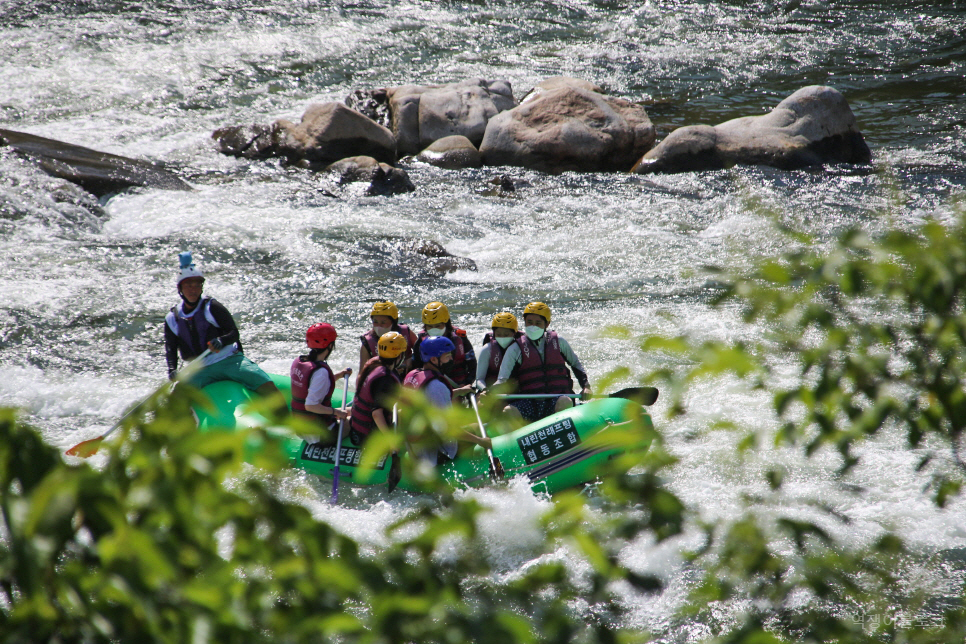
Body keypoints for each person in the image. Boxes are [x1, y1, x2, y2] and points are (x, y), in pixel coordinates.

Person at [164, 252, 280, 399]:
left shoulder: (212, 307)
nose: (193, 290)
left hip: (227, 360)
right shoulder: (172, 318)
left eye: (197, 285)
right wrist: (172, 369)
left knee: (266, 385)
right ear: (180, 288)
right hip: (200, 368)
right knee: (176, 399)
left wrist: (221, 341)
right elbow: (171, 347)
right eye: (188, 285)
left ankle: (286, 418)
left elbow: (233, 333)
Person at [492, 302, 592, 423]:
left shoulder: (559, 342)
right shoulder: (515, 348)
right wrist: (490, 391)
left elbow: (576, 364)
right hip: (530, 401)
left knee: (565, 401)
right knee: (508, 411)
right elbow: (502, 379)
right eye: (529, 322)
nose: (533, 326)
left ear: (547, 324)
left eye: (538, 323)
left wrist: (586, 387)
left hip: (557, 398)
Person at [403, 336, 492, 464]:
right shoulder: (436, 386)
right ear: (434, 359)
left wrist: (461, 391)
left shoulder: (413, 376)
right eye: (447, 356)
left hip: (416, 447)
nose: (451, 359)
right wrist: (480, 441)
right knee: (476, 427)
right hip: (437, 452)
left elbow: (431, 398)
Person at [290, 323, 351, 436]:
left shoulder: (299, 362)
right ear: (330, 345)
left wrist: (339, 375)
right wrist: (336, 412)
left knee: (352, 410)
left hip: (301, 426)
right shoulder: (321, 372)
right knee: (357, 419)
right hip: (319, 433)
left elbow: (313, 384)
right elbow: (310, 406)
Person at [348, 330, 407, 447]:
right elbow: (376, 413)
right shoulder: (385, 378)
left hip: (358, 429)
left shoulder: (374, 364)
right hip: (369, 436)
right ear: (400, 355)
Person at [411, 301, 477, 387]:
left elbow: (472, 365)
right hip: (433, 383)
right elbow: (416, 365)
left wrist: (468, 383)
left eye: (438, 326)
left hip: (459, 384)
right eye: (430, 326)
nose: (434, 329)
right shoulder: (421, 340)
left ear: (446, 323)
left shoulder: (460, 337)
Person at [358, 301, 419, 376]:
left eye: (383, 322)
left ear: (394, 321)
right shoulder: (367, 341)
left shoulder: (406, 331)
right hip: (384, 378)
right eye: (375, 321)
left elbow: (421, 352)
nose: (379, 326)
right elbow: (362, 373)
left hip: (408, 374)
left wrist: (411, 360)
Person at [474, 311, 522, 390]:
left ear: (514, 333)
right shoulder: (487, 349)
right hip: (489, 390)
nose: (502, 337)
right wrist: (485, 390)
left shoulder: (521, 349)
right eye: (498, 334)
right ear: (493, 333)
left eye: (506, 335)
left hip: (514, 392)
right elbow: (479, 380)